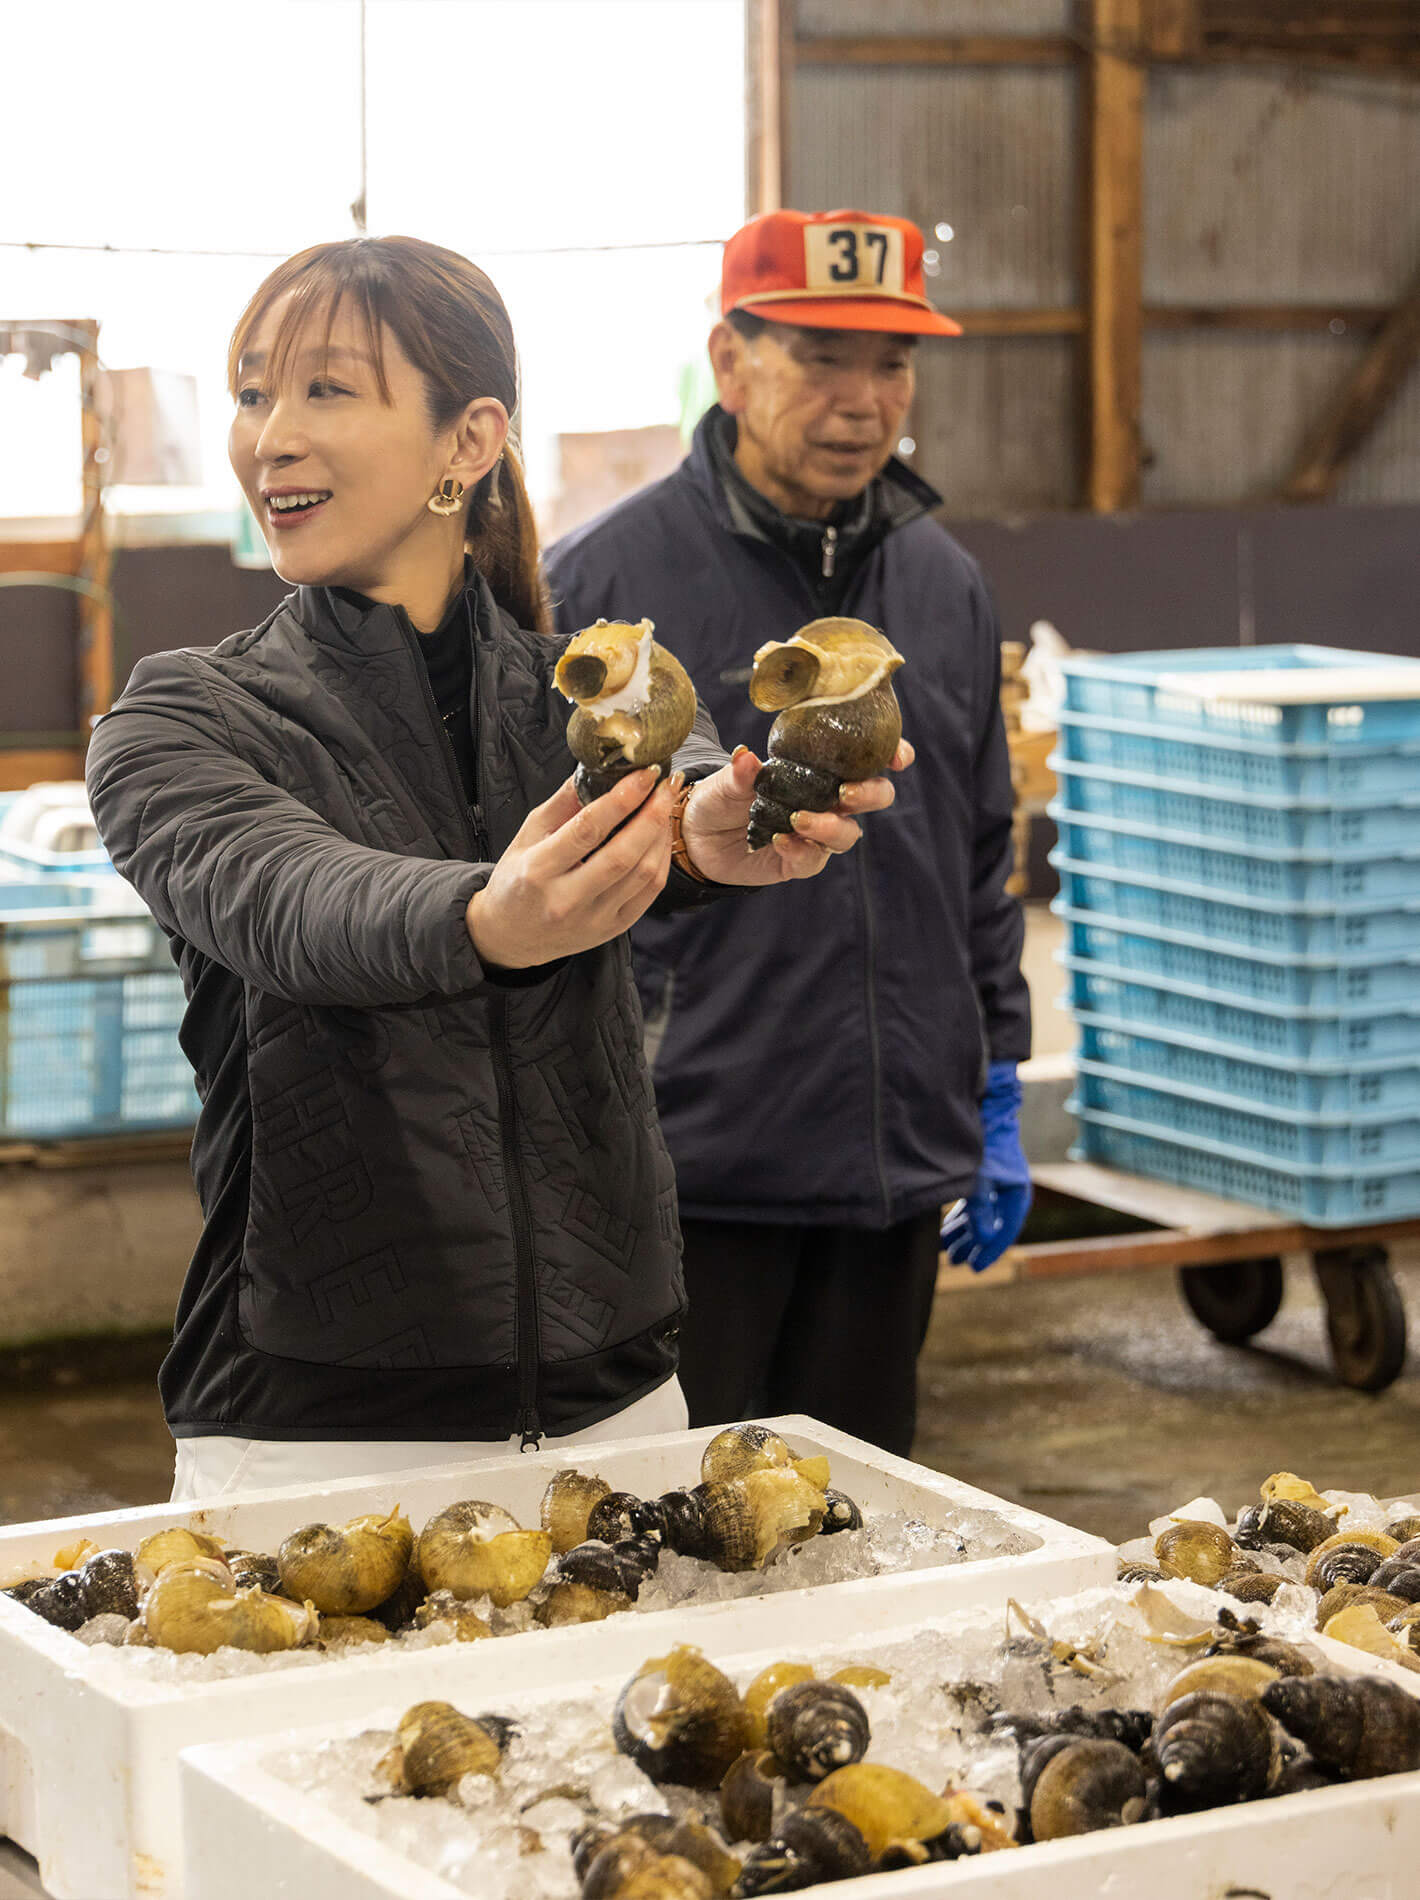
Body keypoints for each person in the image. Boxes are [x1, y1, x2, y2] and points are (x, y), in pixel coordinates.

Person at [85, 235, 910, 1502]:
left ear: (467, 443)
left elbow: (684, 793)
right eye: (255, 393)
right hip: (311, 1443)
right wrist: (486, 916)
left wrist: (708, 837)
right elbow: (295, 902)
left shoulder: (580, 684)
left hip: (620, 1413)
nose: (270, 439)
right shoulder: (179, 720)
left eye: (326, 391)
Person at [546, 208, 1032, 1459]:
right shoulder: (599, 588)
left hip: (893, 1166)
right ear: (730, 360)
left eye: (891, 364)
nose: (862, 401)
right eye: (822, 357)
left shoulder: (945, 584)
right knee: (675, 1534)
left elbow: (980, 849)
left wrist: (993, 1080)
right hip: (690, 1174)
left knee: (859, 1528)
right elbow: (533, 876)